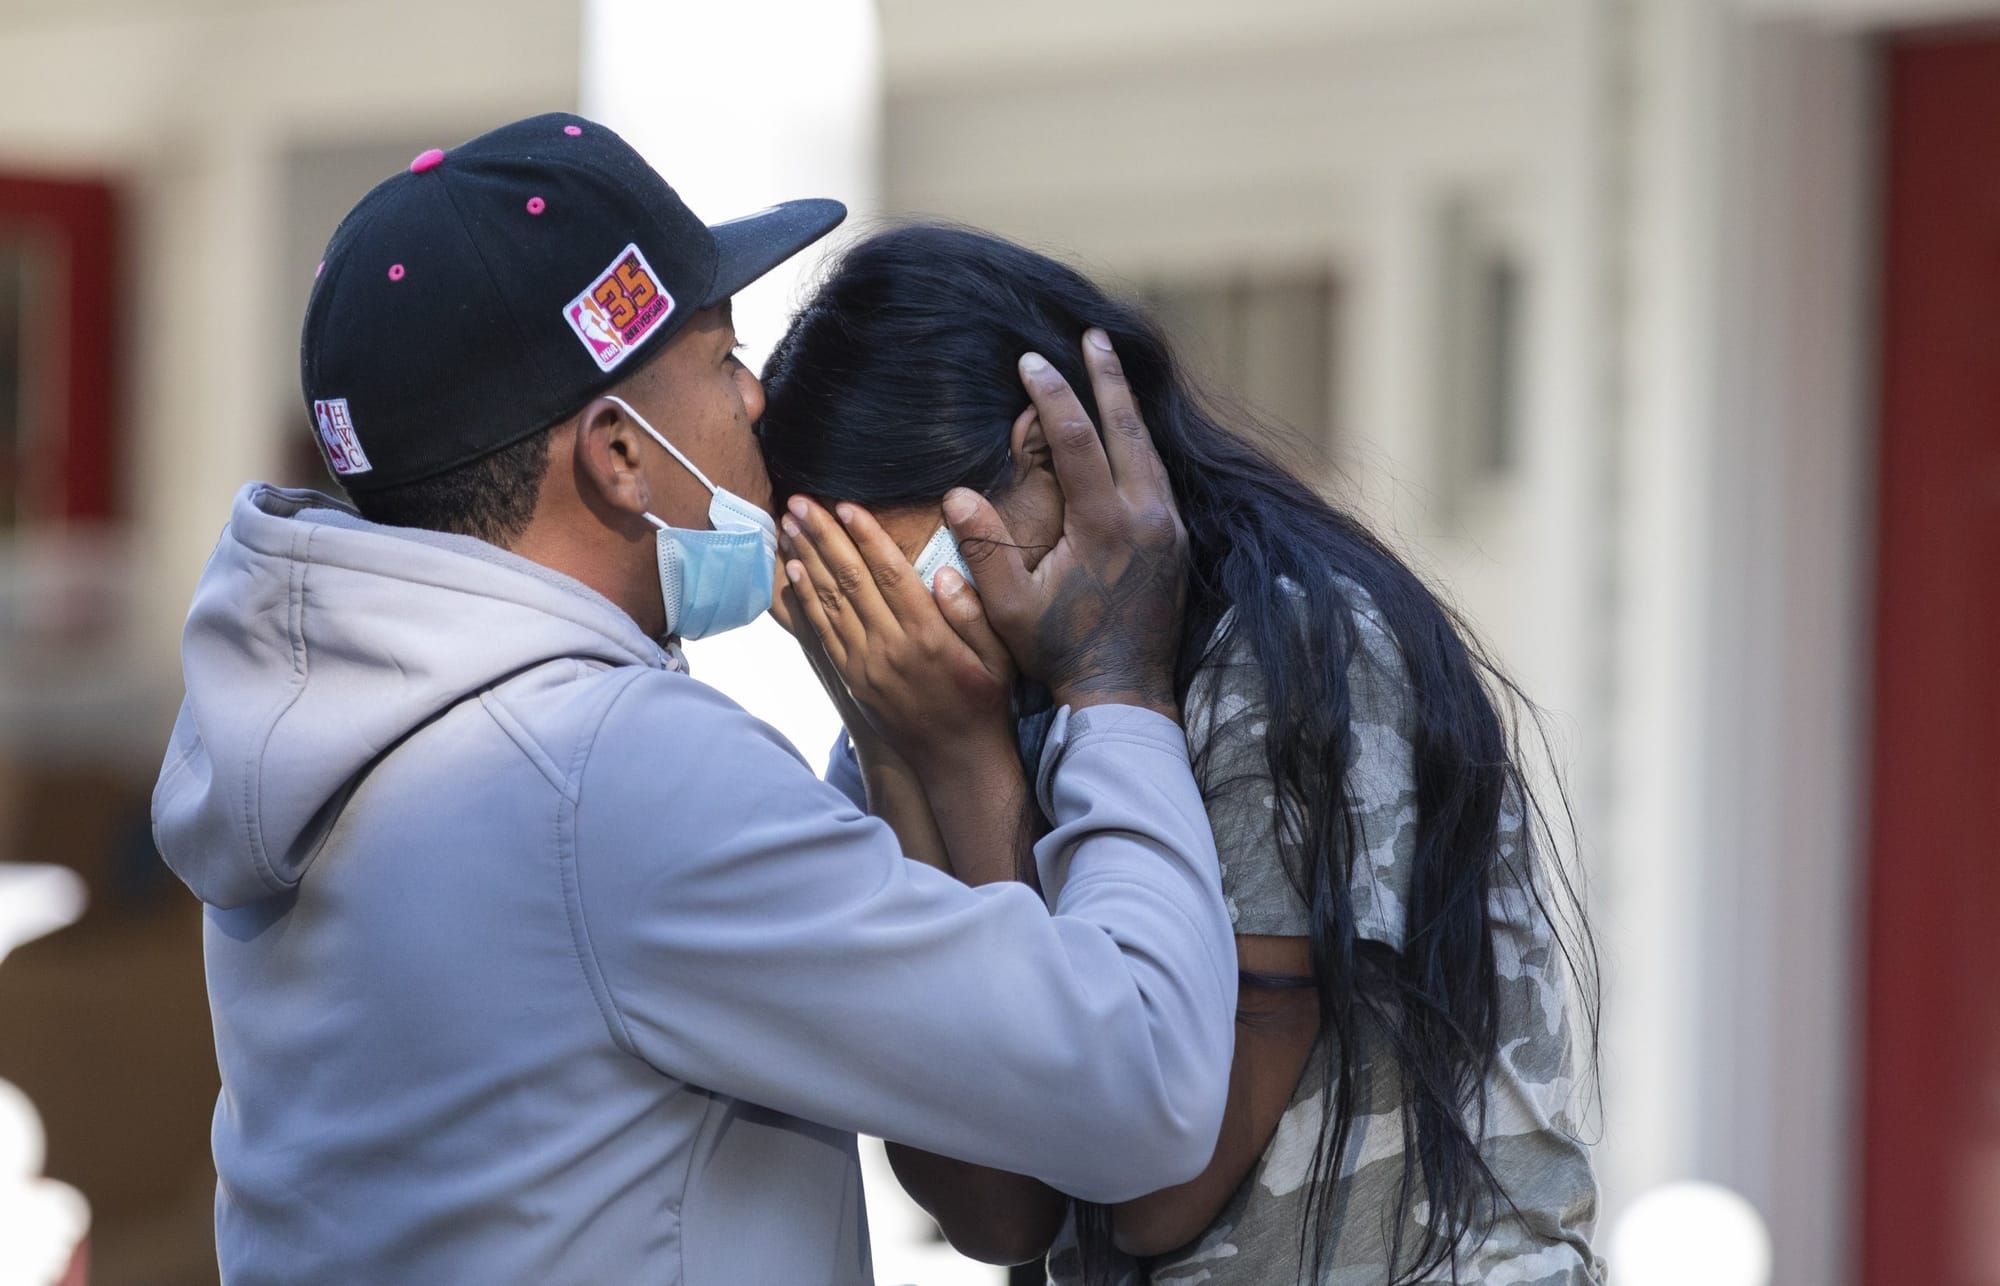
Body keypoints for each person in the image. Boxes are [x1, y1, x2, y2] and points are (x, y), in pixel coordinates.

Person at [150, 115, 1241, 1285]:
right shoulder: (607, 772)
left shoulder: (320, 733)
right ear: (618, 452)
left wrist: (898, 754)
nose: (760, 399)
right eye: (722, 361)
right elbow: (1141, 1081)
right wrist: (1114, 683)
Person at [758, 224, 1604, 1284]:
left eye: (910, 572)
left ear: (1046, 453)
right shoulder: (924, 700)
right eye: (844, 596)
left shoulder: (1290, 648)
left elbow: (1151, 1192)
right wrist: (898, 756)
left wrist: (982, 763)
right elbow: (998, 1214)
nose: (898, 629)